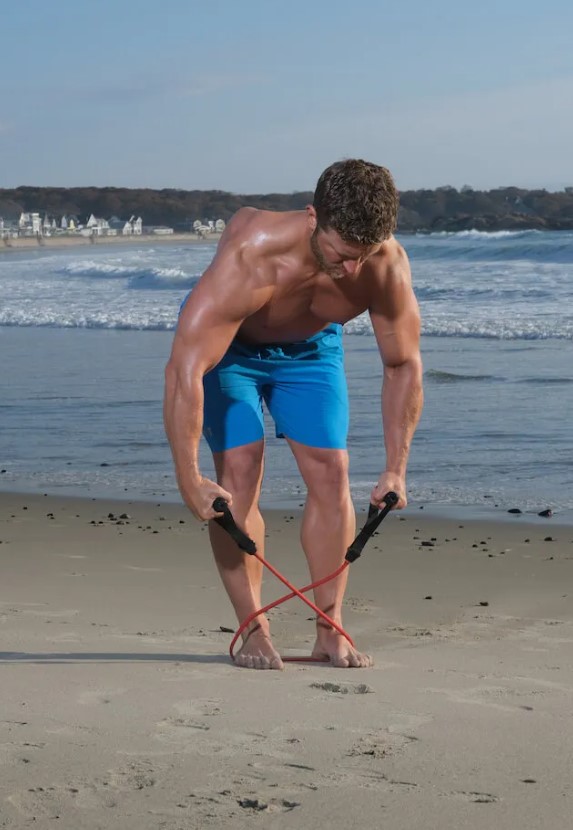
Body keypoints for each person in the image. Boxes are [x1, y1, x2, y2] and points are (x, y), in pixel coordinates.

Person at [164, 159, 423, 670]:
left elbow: (402, 363)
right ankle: (253, 628)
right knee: (237, 473)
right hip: (231, 350)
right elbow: (184, 369)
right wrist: (187, 477)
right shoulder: (250, 253)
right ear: (313, 217)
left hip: (311, 351)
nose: (353, 270)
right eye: (342, 254)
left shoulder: (384, 264)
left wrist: (396, 466)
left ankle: (330, 630)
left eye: (364, 255)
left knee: (333, 473)